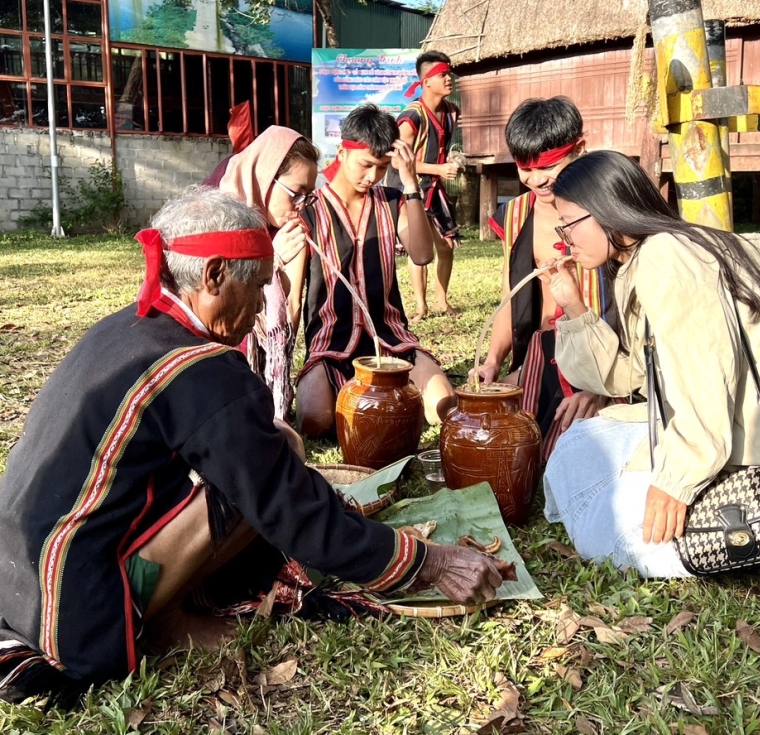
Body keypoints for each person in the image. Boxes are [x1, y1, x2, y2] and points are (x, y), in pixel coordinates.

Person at [0, 187, 514, 705]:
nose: (264, 305)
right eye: (260, 285)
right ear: (214, 275)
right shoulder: (201, 369)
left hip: (18, 578)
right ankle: (162, 623)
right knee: (269, 469)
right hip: (78, 612)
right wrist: (429, 562)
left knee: (276, 443)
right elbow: (291, 509)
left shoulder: (127, 327)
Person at [542, 149, 760, 585]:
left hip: (754, 452)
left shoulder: (666, 257)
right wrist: (575, 307)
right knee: (579, 446)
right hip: (719, 431)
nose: (564, 239)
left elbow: (705, 382)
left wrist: (675, 483)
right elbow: (633, 376)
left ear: (606, 208)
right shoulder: (645, 258)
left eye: (569, 223)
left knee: (607, 536)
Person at [285, 104, 457, 438]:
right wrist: (282, 370)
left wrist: (410, 183)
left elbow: (422, 255)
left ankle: (380, 397)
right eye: (365, 165)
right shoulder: (309, 211)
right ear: (342, 152)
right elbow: (292, 302)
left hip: (391, 341)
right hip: (330, 346)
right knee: (315, 422)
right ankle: (360, 394)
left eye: (382, 168)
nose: (372, 177)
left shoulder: (392, 201)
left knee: (443, 405)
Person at [470, 97, 608, 461]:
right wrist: (492, 360)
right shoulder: (516, 214)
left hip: (603, 358)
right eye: (525, 168)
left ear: (579, 148)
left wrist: (602, 384)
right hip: (541, 354)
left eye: (549, 166)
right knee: (483, 425)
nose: (537, 179)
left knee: (566, 455)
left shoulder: (610, 209)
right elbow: (510, 296)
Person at [204, 126, 319, 420]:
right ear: (266, 176)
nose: (300, 206)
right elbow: (213, 299)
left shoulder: (281, 224)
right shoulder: (217, 211)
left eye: (308, 196)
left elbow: (290, 304)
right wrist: (270, 258)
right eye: (296, 193)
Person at [385, 50, 462, 321]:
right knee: (419, 247)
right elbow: (397, 161)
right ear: (426, 82)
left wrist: (451, 160)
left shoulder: (451, 112)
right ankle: (421, 306)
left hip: (433, 186)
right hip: (407, 187)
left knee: (446, 246)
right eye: (442, 75)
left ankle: (442, 300)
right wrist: (438, 169)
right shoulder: (411, 117)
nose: (449, 79)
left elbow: (444, 147)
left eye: (449, 74)